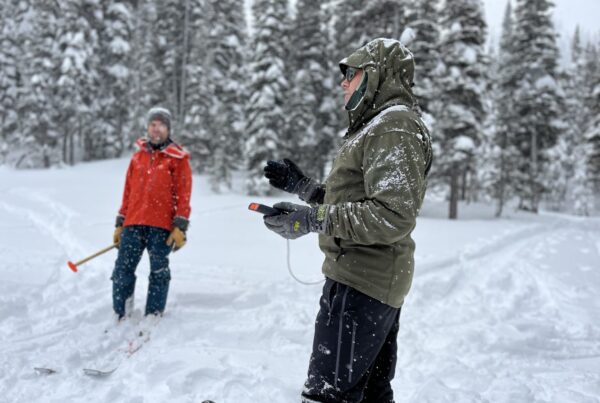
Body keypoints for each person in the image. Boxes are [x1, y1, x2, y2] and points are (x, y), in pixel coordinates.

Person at [263, 38, 433, 402]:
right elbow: (357, 201)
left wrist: (312, 220)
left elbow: (391, 216)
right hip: (368, 279)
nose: (344, 82)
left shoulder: (394, 126)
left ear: (376, 76)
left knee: (329, 395)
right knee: (369, 394)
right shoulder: (377, 127)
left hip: (363, 282)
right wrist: (305, 189)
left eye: (352, 74)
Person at [111, 106, 192, 319]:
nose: (156, 129)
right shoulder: (138, 158)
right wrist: (120, 221)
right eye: (153, 124)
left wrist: (180, 226)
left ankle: (153, 314)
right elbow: (128, 192)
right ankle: (121, 313)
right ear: (147, 127)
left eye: (161, 125)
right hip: (133, 223)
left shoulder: (177, 159)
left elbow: (184, 194)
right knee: (122, 271)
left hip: (161, 226)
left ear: (168, 129)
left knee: (158, 272)